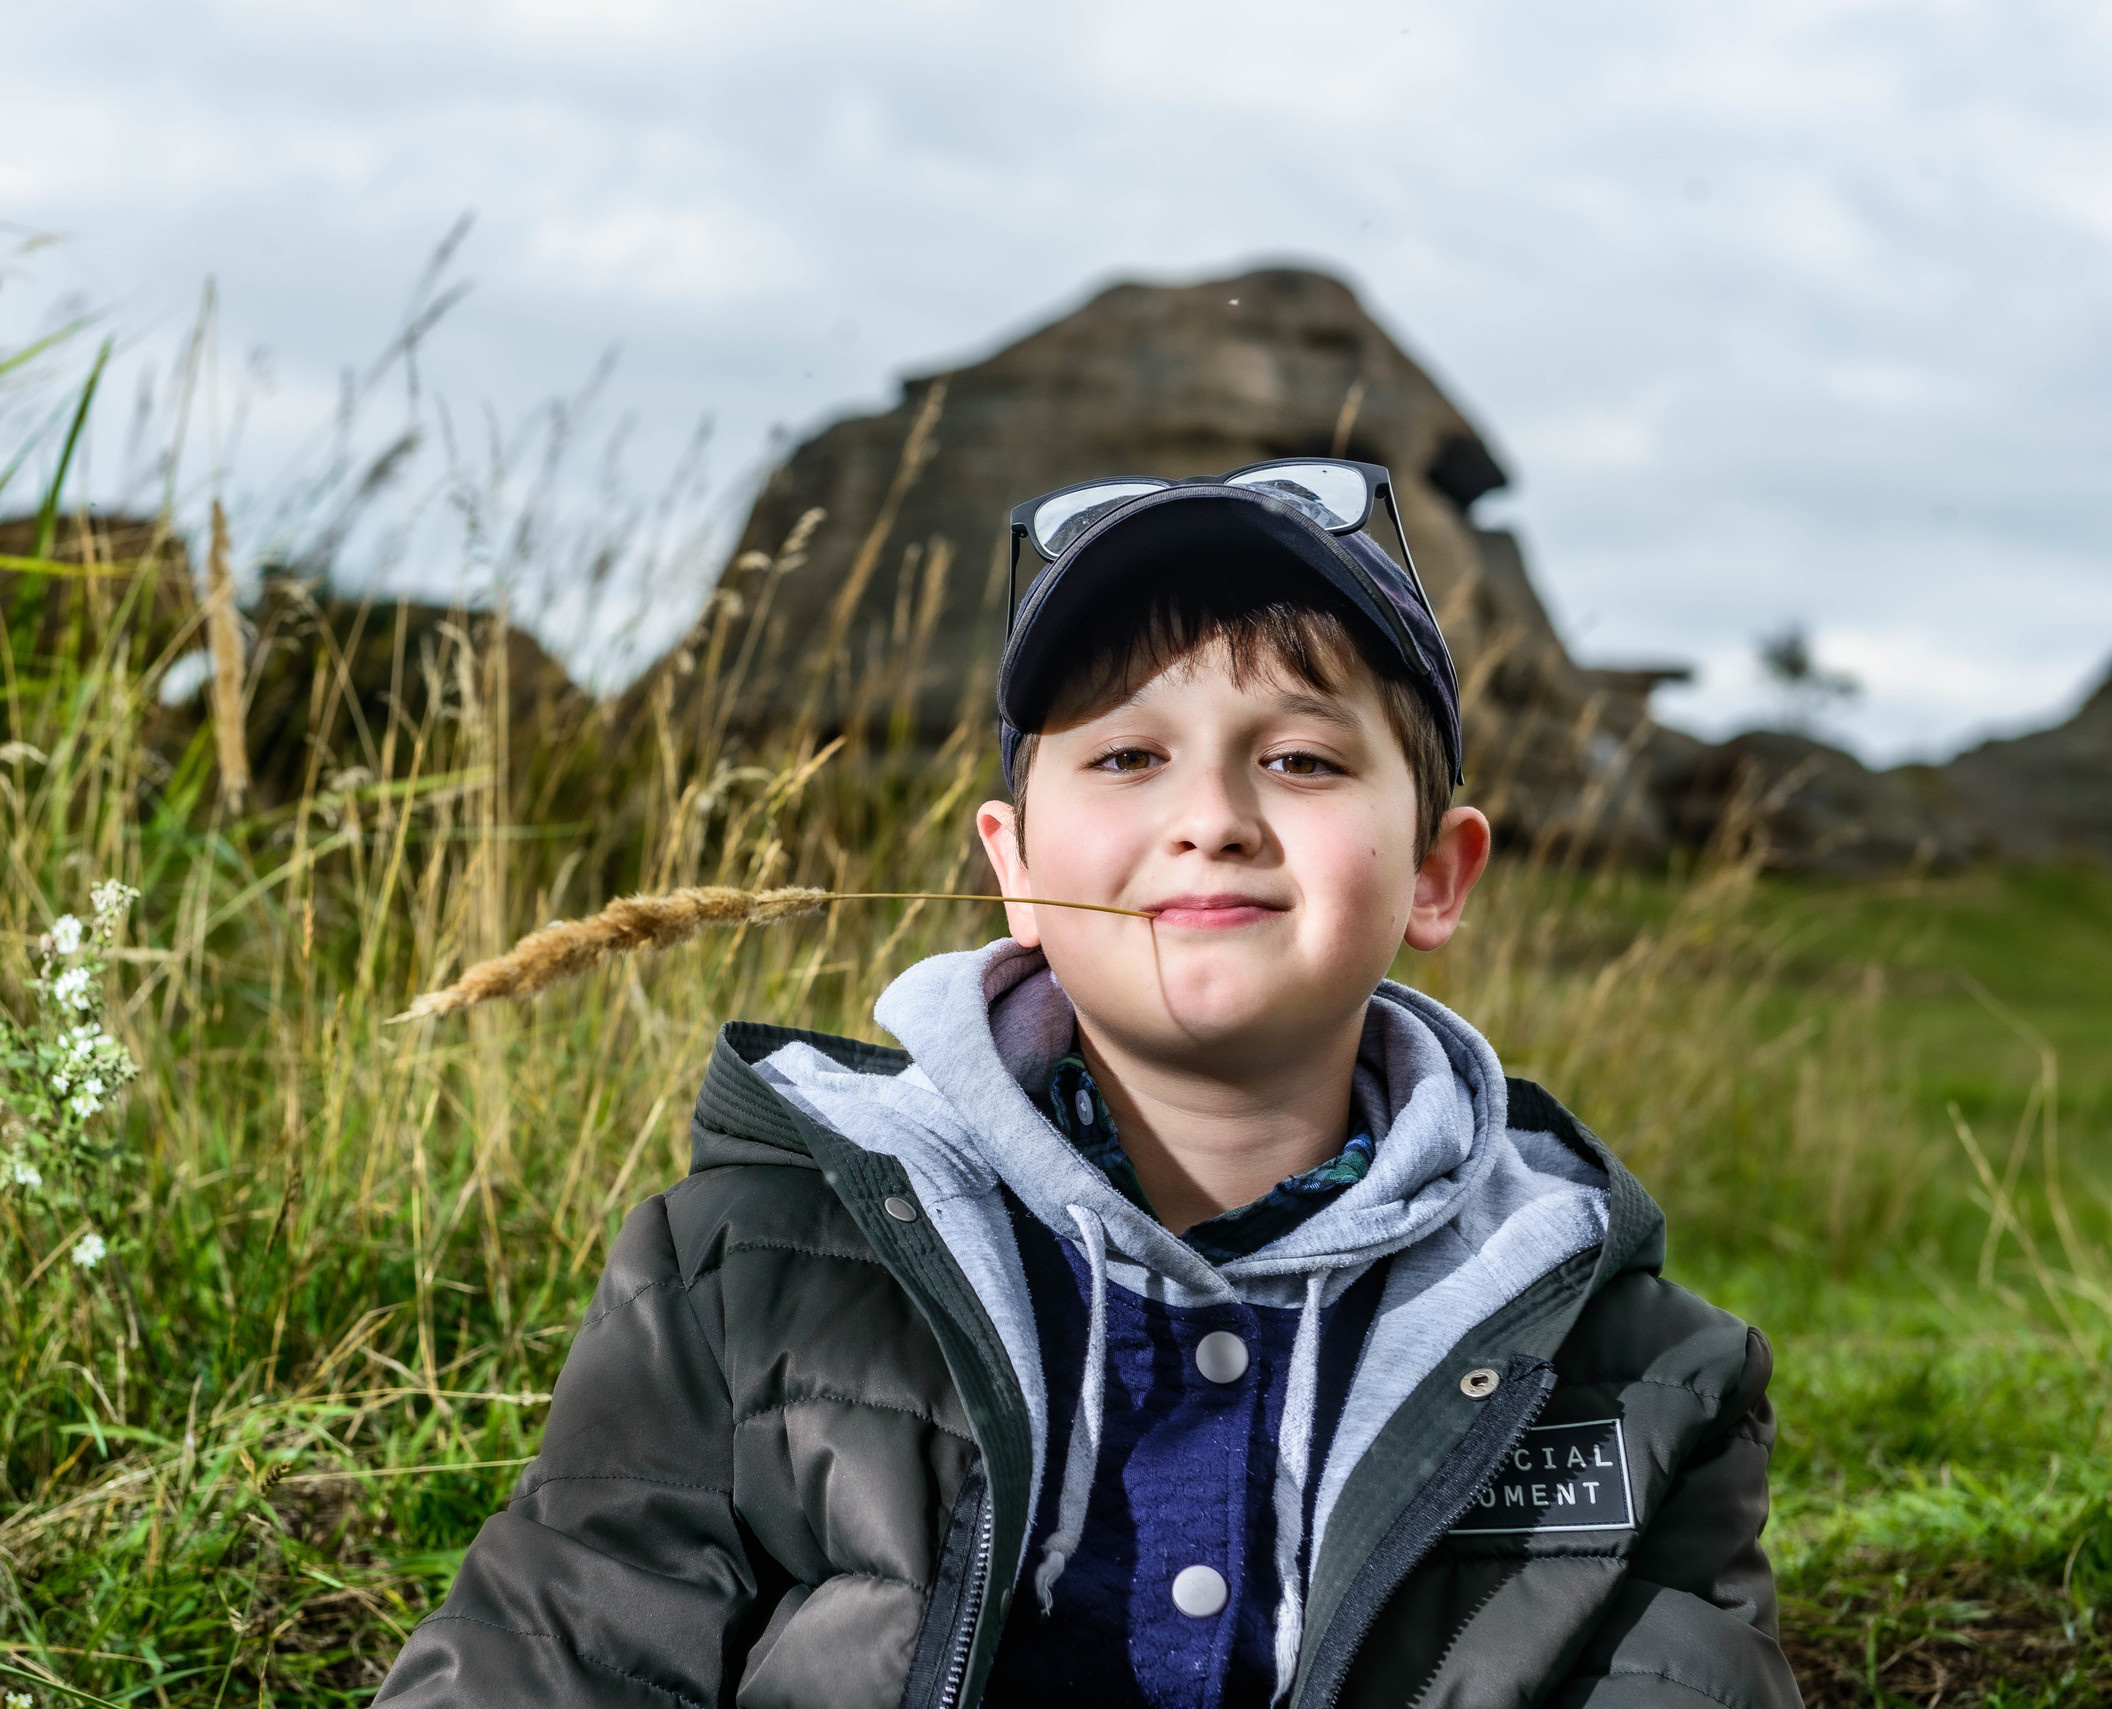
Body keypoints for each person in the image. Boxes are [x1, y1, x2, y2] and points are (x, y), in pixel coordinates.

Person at [375, 463, 1800, 1708]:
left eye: (1301, 759)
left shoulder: (1635, 1372)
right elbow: (559, 1646)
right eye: (1127, 755)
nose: (1214, 819)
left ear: (1438, 873)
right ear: (1016, 869)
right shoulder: (746, 1270)